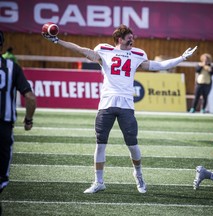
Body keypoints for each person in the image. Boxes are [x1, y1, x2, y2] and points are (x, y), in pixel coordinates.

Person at [42, 24, 197, 194]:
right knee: (100, 144)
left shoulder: (138, 54)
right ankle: (98, 181)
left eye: (133, 38)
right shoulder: (104, 50)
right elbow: (80, 49)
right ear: (119, 39)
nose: (132, 40)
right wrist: (58, 41)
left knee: (132, 145)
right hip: (106, 104)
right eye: (129, 38)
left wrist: (181, 58)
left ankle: (138, 175)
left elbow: (158, 66)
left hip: (126, 105)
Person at [0, 31, 36, 193]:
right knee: (1, 179)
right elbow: (30, 98)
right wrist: (28, 120)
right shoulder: (11, 67)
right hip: (3, 127)